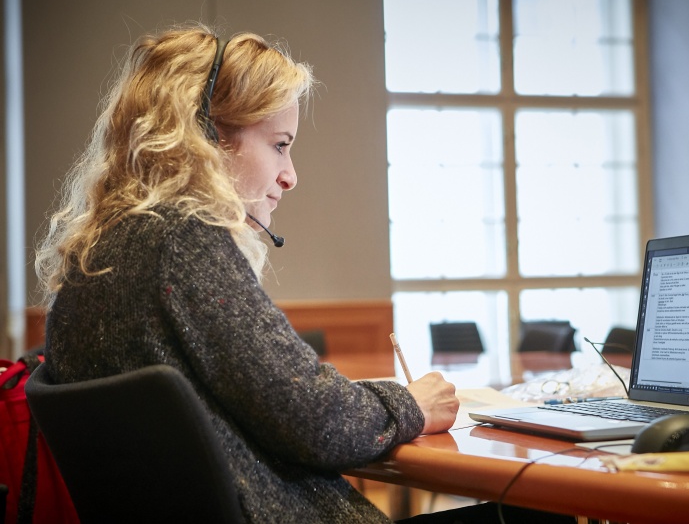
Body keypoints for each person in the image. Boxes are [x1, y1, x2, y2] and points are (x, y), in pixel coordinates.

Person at [35, 26, 573, 524]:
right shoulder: (182, 240)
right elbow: (317, 421)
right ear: (207, 136)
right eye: (279, 145)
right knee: (544, 509)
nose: (290, 176)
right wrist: (413, 404)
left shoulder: (94, 258)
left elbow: (274, 404)